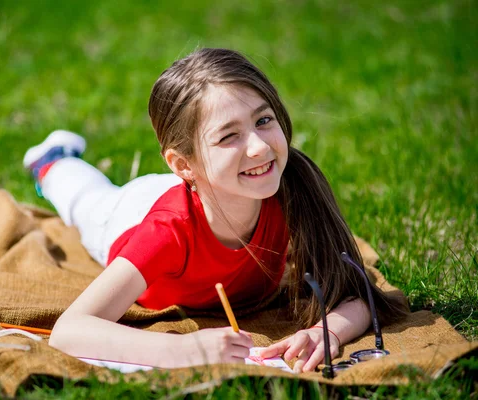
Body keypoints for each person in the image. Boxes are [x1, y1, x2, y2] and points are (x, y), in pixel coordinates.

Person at [23, 48, 408, 372]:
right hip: (125, 215)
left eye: (263, 120)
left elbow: (360, 295)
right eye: (229, 136)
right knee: (84, 199)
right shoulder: (165, 232)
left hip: (212, 187)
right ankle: (51, 161)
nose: (258, 147)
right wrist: (185, 350)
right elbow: (70, 330)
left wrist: (328, 331)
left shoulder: (291, 188)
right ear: (182, 164)